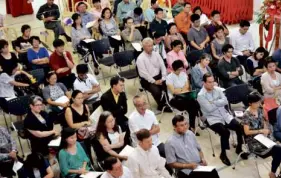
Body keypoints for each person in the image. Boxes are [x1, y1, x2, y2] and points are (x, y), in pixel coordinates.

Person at [197, 73, 248, 166]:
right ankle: (223, 154)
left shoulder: (218, 89)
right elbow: (209, 109)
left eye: (213, 82)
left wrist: (213, 102)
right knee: (225, 132)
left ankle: (239, 148)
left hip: (224, 115)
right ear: (204, 83)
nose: (212, 84)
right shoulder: (201, 95)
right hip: (212, 118)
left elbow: (225, 101)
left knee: (239, 127)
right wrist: (218, 102)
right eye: (209, 82)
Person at [242, 92, 281, 178]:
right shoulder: (246, 115)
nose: (258, 104)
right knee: (278, 150)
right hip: (254, 141)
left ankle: (274, 172)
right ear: (250, 103)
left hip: (263, 137)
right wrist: (260, 131)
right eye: (256, 103)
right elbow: (247, 132)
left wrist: (266, 129)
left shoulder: (259, 110)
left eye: (259, 102)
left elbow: (264, 122)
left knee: (278, 151)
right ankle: (273, 172)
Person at [136, 38, 169, 112]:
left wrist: (163, 77)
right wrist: (154, 81)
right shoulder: (140, 58)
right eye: (148, 46)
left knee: (167, 85)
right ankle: (161, 106)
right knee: (156, 91)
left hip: (159, 76)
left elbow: (162, 66)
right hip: (147, 80)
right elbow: (143, 74)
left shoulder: (156, 54)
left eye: (151, 45)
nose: (151, 48)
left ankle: (167, 103)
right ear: (144, 47)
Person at [166, 60, 200, 133]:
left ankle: (192, 126)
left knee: (192, 104)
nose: (181, 70)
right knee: (193, 104)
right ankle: (196, 123)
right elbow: (173, 91)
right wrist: (182, 89)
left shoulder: (184, 74)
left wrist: (179, 89)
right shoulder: (169, 77)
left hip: (185, 96)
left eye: (181, 69)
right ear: (175, 68)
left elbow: (187, 86)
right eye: (179, 69)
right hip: (174, 99)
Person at [64, 90, 94, 163]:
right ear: (73, 99)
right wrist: (83, 123)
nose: (81, 100)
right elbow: (71, 125)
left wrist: (88, 123)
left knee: (90, 148)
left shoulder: (85, 106)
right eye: (78, 98)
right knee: (82, 151)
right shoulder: (69, 110)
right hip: (75, 133)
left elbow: (89, 120)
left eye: (82, 98)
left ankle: (91, 163)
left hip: (86, 132)